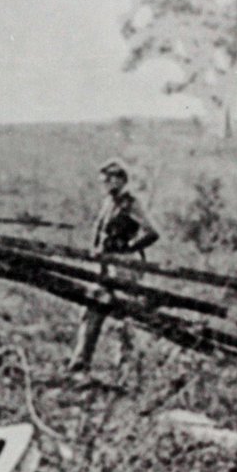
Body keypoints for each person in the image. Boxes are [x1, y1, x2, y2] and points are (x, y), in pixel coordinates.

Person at [67, 159, 159, 372]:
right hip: (105, 263)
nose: (106, 184)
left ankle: (125, 365)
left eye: (110, 179)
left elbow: (152, 232)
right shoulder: (108, 203)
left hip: (124, 265)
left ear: (121, 180)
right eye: (104, 180)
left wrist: (127, 249)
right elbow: (99, 232)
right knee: (92, 306)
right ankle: (80, 362)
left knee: (124, 313)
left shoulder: (130, 203)